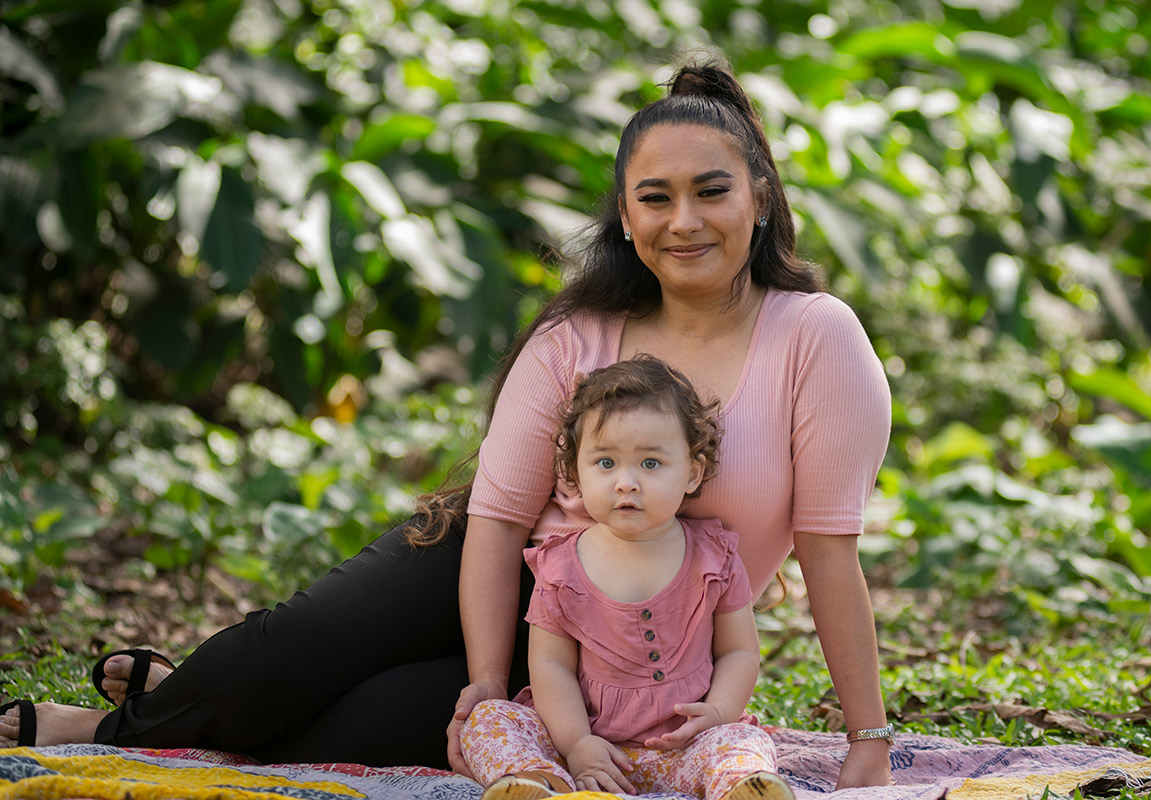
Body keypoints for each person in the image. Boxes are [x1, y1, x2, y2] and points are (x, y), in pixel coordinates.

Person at [0, 53, 894, 789]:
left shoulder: (816, 340)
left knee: (359, 726)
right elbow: (502, 520)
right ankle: (119, 720)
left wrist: (869, 740)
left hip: (607, 654)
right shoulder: (579, 332)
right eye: (655, 198)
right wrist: (479, 684)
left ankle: (195, 704)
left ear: (762, 196)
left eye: (712, 192)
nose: (684, 221)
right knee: (284, 655)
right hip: (478, 565)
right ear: (625, 216)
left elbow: (828, 552)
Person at [461, 356, 790, 800]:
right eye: (605, 463)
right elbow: (551, 665)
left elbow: (739, 651)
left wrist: (717, 711)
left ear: (692, 472)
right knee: (489, 719)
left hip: (684, 746)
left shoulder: (714, 556)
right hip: (583, 756)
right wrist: (577, 744)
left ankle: (737, 788)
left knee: (745, 741)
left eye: (651, 463)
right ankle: (537, 783)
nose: (626, 482)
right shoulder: (560, 567)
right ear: (575, 473)